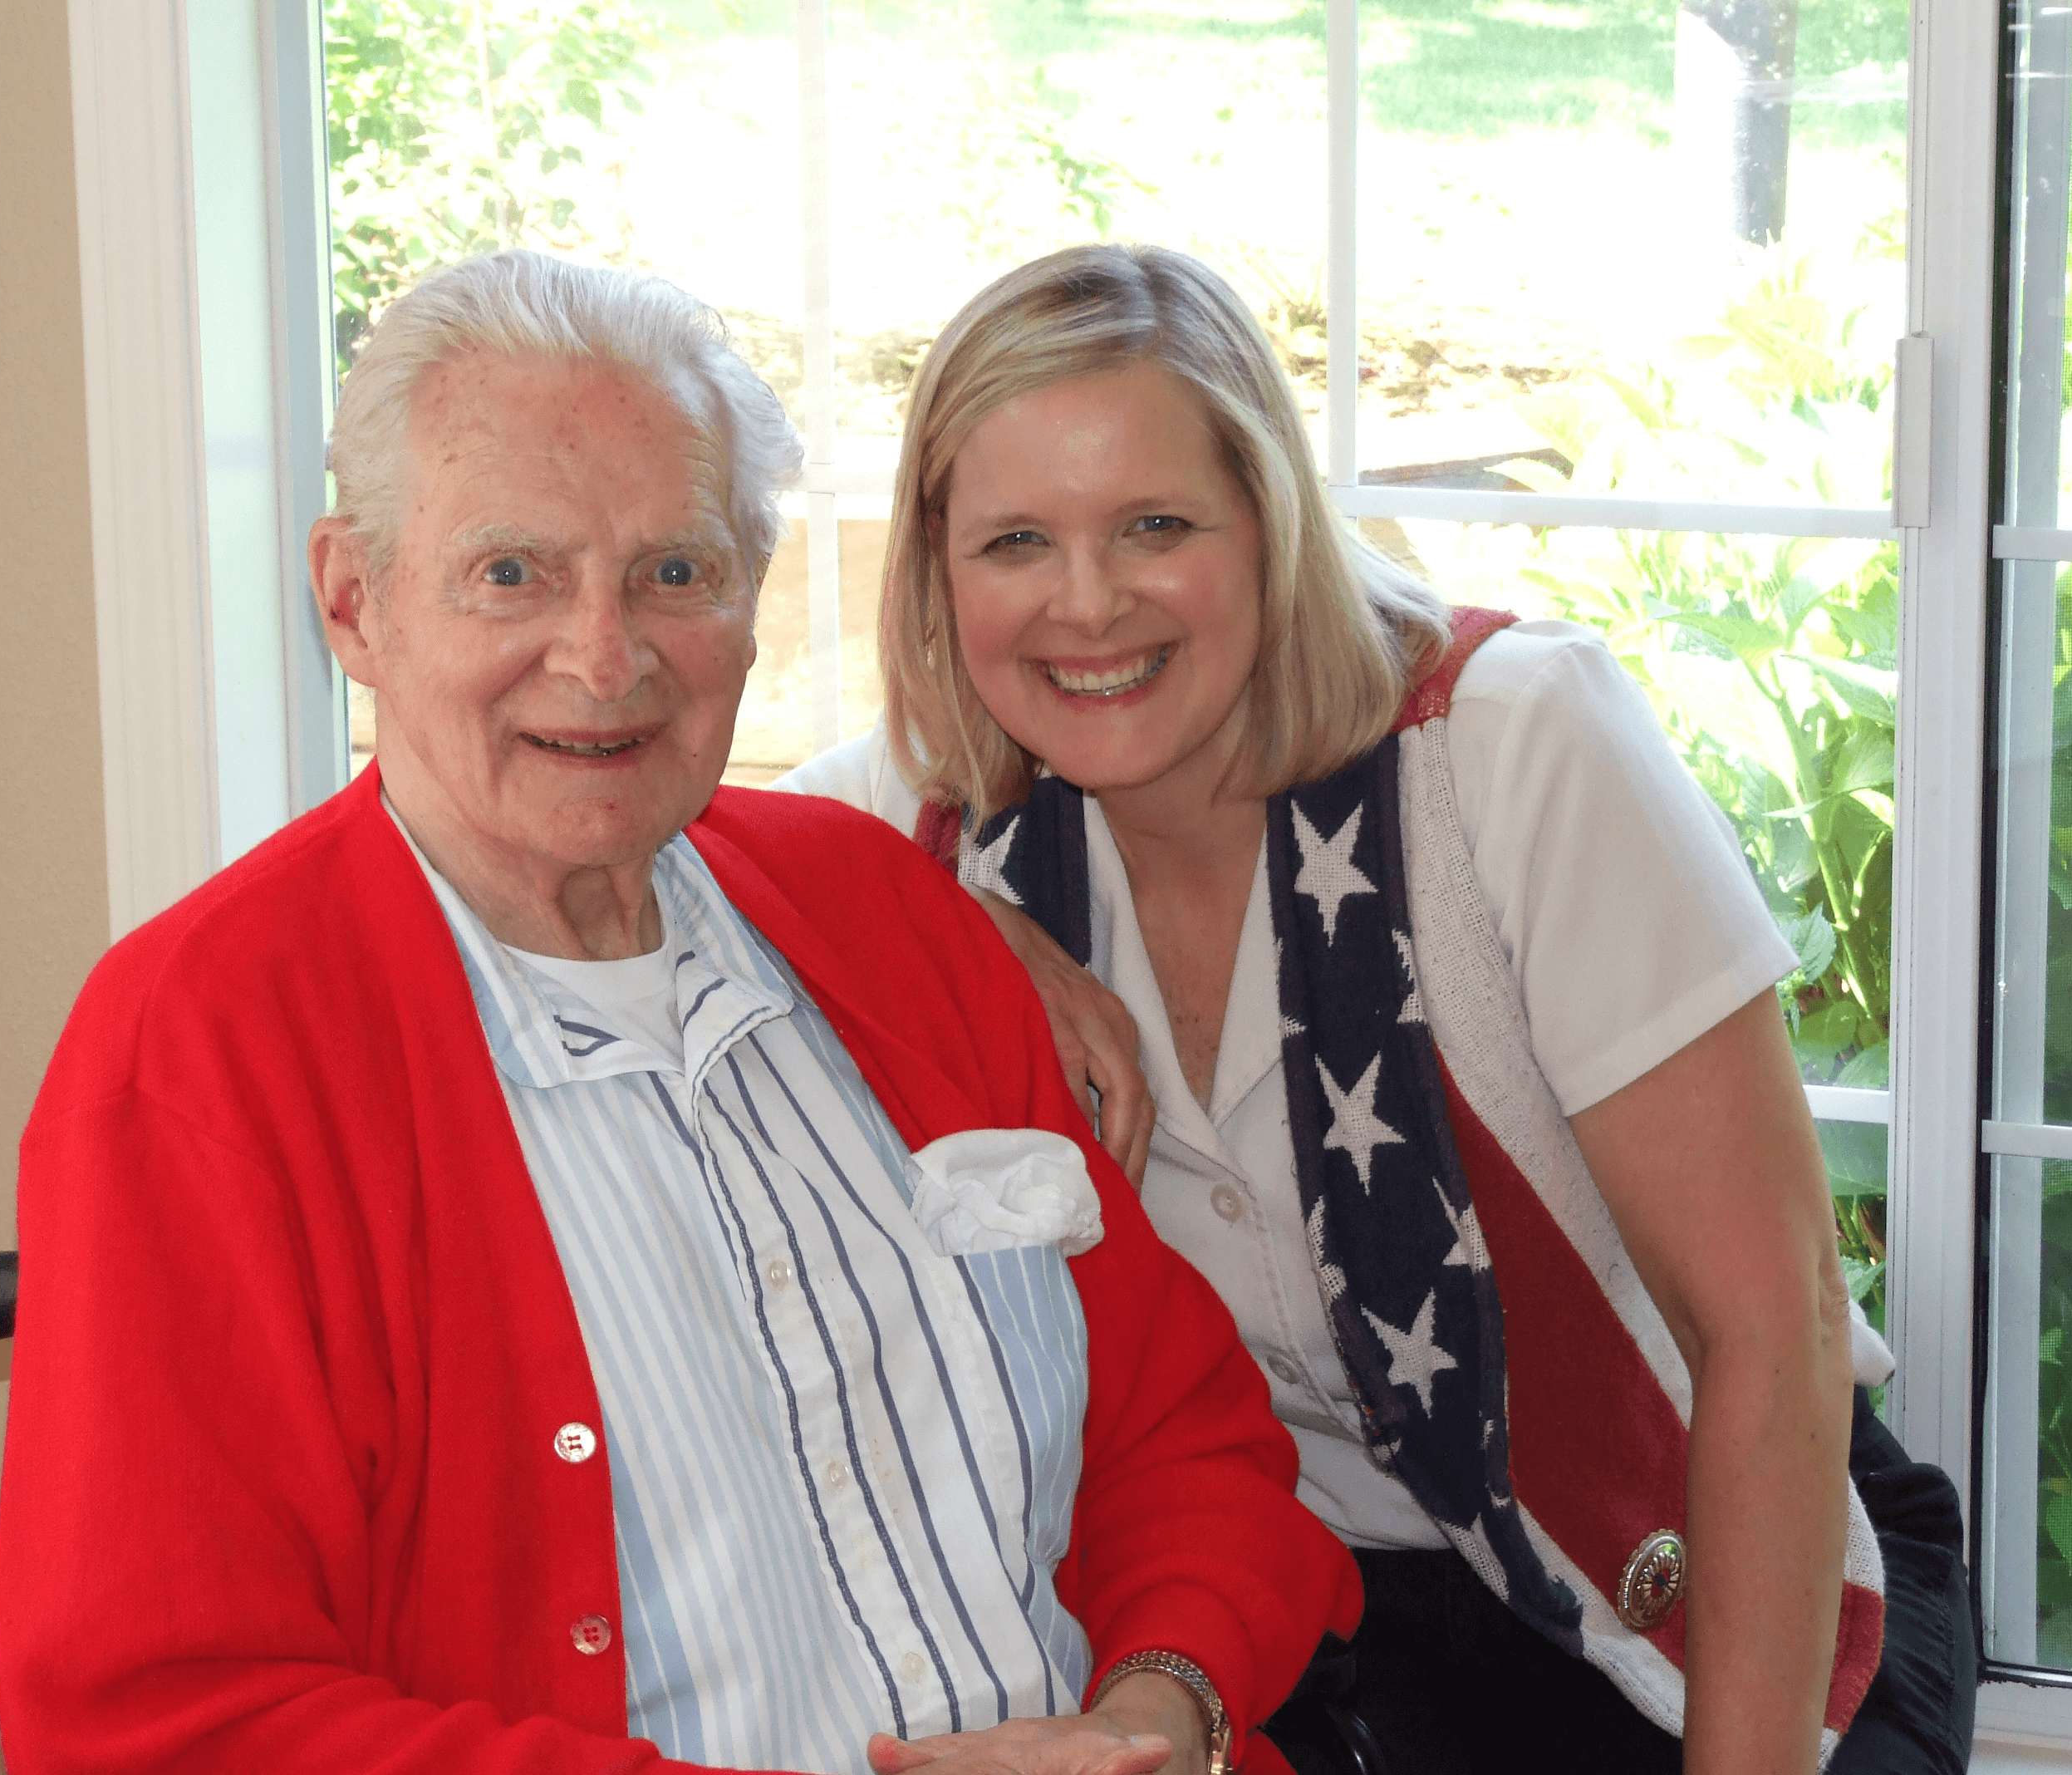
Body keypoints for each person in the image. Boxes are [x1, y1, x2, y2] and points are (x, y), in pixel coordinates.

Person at [0, 250, 1355, 1775]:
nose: (606, 654)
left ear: (752, 605)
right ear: (354, 603)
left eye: (674, 572)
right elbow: (162, 1717)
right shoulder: (204, 1051)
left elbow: (1189, 1444)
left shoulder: (889, 915)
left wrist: (1161, 1714)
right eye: (512, 574)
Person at [776, 243, 1975, 1775]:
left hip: (1716, 1552)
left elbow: (1777, 1328)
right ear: (940, 572)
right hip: (1309, 1611)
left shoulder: (1513, 745)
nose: (1085, 605)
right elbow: (662, 849)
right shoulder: (918, 819)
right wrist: (964, 926)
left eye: (1156, 525)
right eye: (1016, 540)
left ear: (1271, 523)